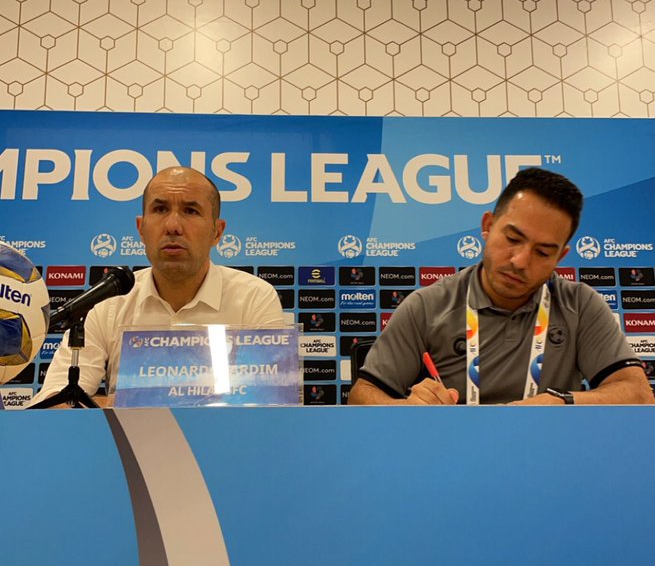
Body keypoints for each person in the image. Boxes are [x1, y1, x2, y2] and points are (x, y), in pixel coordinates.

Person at [348, 167, 653, 407]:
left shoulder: (580, 304)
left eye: (542, 252)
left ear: (560, 257)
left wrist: (561, 402)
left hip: (549, 453)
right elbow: (362, 395)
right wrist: (408, 408)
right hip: (451, 455)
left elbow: (639, 394)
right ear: (488, 226)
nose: (520, 261)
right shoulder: (428, 305)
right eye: (513, 238)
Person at [29, 166, 284, 406]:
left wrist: (134, 404)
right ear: (141, 229)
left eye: (191, 211)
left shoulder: (254, 297)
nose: (173, 226)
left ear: (217, 232)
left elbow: (272, 404)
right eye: (160, 209)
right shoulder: (107, 302)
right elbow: (53, 401)